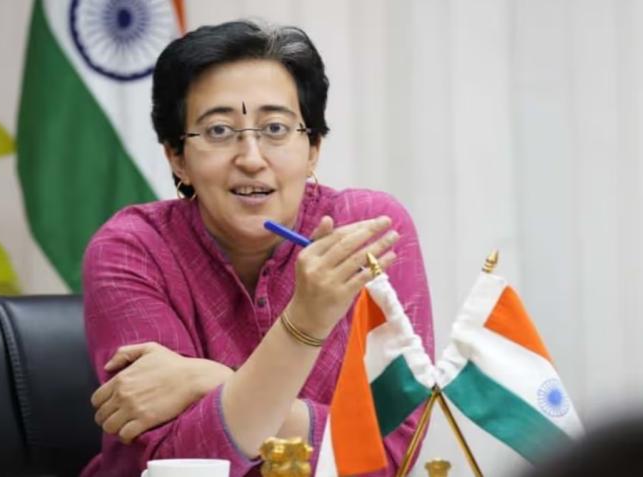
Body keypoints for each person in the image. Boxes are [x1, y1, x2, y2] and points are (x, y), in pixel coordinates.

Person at [82, 20, 434, 477]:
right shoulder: (132, 250)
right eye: (218, 131)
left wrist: (210, 381)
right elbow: (175, 463)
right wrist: (303, 324)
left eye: (275, 128)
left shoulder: (367, 232)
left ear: (313, 147)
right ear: (177, 157)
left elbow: (389, 454)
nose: (251, 158)